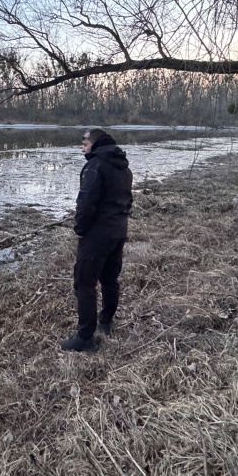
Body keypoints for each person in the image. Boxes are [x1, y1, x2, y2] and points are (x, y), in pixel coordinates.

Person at [61, 128, 133, 352]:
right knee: (110, 279)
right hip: (118, 230)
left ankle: (84, 338)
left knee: (84, 283)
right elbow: (127, 200)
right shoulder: (123, 166)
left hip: (97, 234)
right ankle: (106, 323)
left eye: (85, 141)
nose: (82, 144)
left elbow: (86, 202)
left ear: (95, 142)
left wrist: (80, 229)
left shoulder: (95, 166)